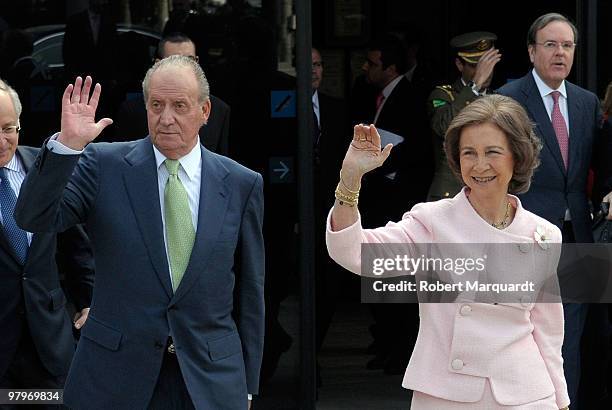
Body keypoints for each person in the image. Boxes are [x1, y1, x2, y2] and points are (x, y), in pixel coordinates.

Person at [15, 55, 264, 410]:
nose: (166, 118)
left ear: (205, 110)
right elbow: (33, 218)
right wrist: (66, 147)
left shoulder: (241, 183)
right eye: (156, 105)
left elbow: (251, 292)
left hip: (209, 381)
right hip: (115, 378)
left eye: (179, 106)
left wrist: (248, 384)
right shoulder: (103, 165)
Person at [326, 94, 570, 409]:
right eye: (469, 153)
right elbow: (356, 253)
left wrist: (561, 401)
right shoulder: (432, 222)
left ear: (517, 157)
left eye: (492, 152)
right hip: (446, 395)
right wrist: (350, 179)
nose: (480, 165)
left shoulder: (544, 235)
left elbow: (549, 334)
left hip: (527, 396)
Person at [497, 13, 612, 408]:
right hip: (523, 237)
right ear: (532, 52)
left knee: (572, 339)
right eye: (550, 44)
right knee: (523, 335)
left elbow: (603, 163)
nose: (559, 53)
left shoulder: (586, 101)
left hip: (579, 235)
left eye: (566, 45)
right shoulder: (508, 99)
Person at [0, 78, 94, 407]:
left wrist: (88, 300)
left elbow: (75, 247)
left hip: (50, 343)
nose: (2, 141)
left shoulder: (44, 167)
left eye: (9, 128)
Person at [114, 33, 231, 156]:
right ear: (157, 63)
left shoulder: (219, 110)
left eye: (189, 60)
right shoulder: (131, 111)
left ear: (205, 110)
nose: (183, 67)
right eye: (173, 60)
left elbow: (221, 166)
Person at [427, 31, 501, 201]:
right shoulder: (443, 95)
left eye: (487, 65)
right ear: (460, 65)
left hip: (488, 191)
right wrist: (474, 86)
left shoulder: (498, 98)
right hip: (452, 193)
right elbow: (444, 126)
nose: (485, 72)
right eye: (475, 66)